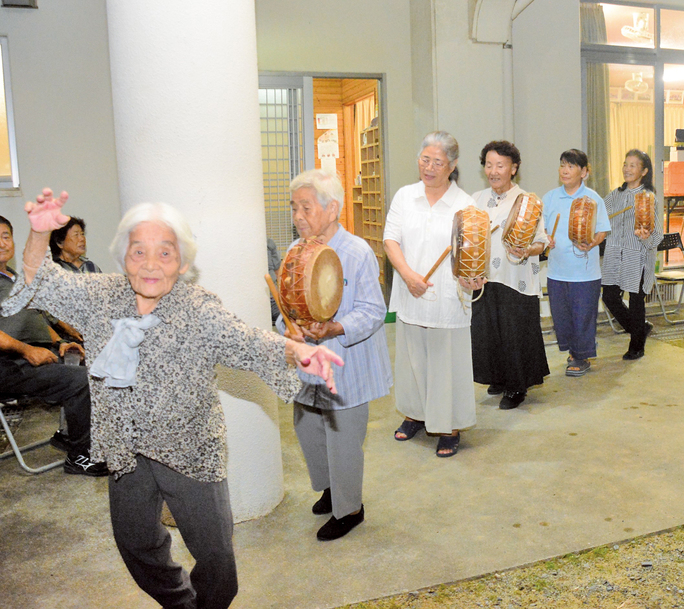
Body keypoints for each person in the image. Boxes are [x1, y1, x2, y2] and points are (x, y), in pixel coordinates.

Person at [3, 189, 343, 609]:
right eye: (139, 250)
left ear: (182, 263)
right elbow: (40, 282)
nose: (150, 263)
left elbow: (247, 341)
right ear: (123, 256)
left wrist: (297, 351)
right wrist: (38, 235)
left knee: (216, 556)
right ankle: (181, 603)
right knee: (136, 545)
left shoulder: (198, 308)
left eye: (165, 253)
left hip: (190, 447)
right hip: (125, 446)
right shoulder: (100, 296)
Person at [278, 169, 392, 541]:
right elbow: (286, 307)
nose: (298, 216)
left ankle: (350, 509)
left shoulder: (356, 251)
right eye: (294, 208)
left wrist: (335, 328)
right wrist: (287, 329)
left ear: (332, 210)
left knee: (343, 439)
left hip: (346, 363)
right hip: (309, 363)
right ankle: (330, 489)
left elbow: (373, 311)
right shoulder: (296, 252)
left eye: (306, 207)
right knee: (308, 430)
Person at [383, 131, 479, 458]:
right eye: (425, 159)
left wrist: (472, 277)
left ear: (451, 166)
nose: (429, 167)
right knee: (412, 358)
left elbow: (473, 254)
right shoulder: (405, 196)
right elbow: (390, 241)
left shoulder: (465, 204)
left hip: (449, 299)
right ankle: (415, 414)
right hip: (412, 292)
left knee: (445, 362)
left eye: (438, 162)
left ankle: (449, 425)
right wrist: (408, 276)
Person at [0, 215, 105, 476]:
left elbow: (35, 316)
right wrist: (26, 350)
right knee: (80, 380)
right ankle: (80, 456)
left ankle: (69, 435)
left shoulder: (14, 276)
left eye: (5, 236)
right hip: (7, 363)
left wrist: (60, 342)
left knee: (100, 366)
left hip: (31, 354)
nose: (2, 243)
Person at [470, 141, 549, 410]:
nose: (493, 171)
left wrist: (527, 249)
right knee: (488, 331)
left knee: (514, 333)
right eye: (489, 165)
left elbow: (542, 241)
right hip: (484, 277)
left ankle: (517, 387)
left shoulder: (527, 200)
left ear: (513, 168)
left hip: (516, 278)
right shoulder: (477, 199)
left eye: (500, 165)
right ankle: (498, 377)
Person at [542, 149, 610, 376]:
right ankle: (573, 351)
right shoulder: (550, 197)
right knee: (561, 318)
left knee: (582, 316)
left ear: (584, 172)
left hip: (585, 273)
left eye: (571, 166)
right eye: (562, 165)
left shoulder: (593, 199)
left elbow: (602, 230)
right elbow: (540, 229)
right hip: (557, 271)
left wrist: (592, 243)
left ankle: (581, 357)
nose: (565, 170)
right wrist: (545, 239)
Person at [601, 149, 662, 361]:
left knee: (636, 301)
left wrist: (645, 237)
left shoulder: (648, 197)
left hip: (637, 256)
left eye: (633, 165)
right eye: (626, 164)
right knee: (608, 297)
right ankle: (640, 328)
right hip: (614, 255)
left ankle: (636, 345)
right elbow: (599, 217)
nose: (627, 168)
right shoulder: (614, 195)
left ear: (644, 171)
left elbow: (657, 235)